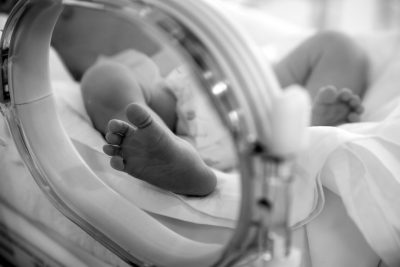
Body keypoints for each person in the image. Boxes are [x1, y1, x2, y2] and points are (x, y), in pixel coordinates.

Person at [80, 31, 368, 197]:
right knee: (105, 74)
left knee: (340, 45)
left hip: (263, 105)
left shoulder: (257, 66)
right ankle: (170, 153)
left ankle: (308, 128)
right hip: (181, 117)